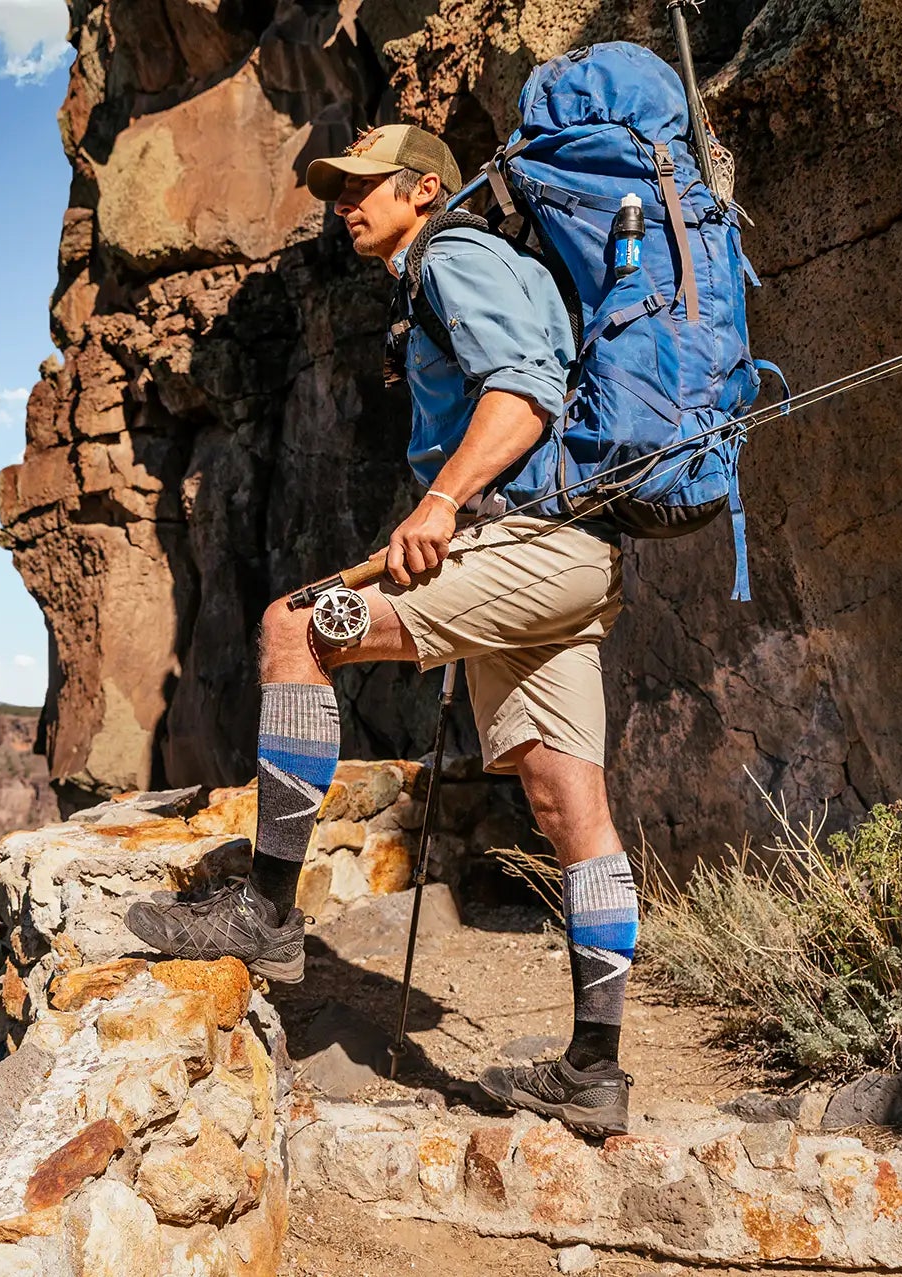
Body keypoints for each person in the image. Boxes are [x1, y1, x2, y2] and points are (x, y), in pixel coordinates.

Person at [123, 124, 640, 1137]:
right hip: (569, 560)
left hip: (524, 551)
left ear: (425, 188)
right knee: (566, 798)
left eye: (366, 185)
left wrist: (442, 503)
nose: (344, 201)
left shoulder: (454, 254)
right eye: (337, 188)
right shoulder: (454, 269)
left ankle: (267, 912)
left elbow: (524, 396)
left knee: (294, 628)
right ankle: (595, 1066)